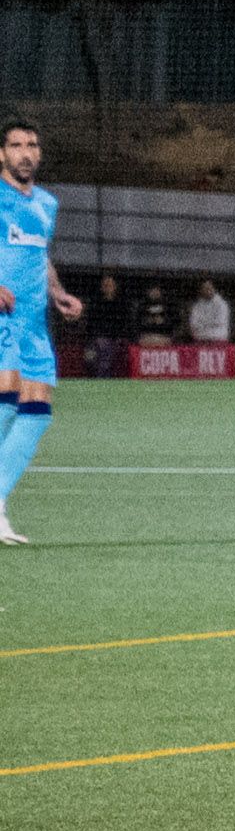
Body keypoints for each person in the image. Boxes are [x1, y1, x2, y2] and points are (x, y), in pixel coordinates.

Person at [0, 119, 80, 546]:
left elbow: (40, 255)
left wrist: (58, 292)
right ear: (2, 154)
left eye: (32, 145)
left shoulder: (46, 204)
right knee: (7, 392)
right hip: (1, 316)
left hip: (34, 321)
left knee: (37, 410)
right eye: (16, 146)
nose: (25, 153)